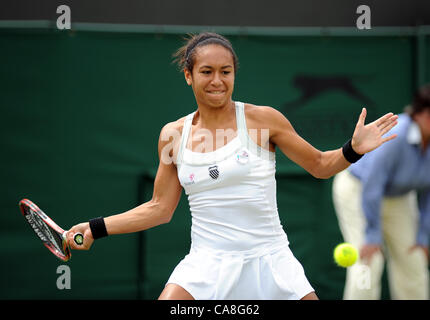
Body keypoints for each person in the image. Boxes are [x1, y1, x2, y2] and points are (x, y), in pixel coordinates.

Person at [67, 32, 398, 300]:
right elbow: (159, 207)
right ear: (188, 75)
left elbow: (321, 165)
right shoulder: (172, 136)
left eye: (226, 72)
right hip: (206, 264)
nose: (217, 81)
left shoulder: (263, 120)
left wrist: (353, 150)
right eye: (206, 72)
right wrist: (95, 227)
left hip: (270, 259)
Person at [332, 83, 430, 300]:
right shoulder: (398, 136)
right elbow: (372, 185)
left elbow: (428, 194)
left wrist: (423, 236)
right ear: (423, 115)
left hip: (398, 197)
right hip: (358, 191)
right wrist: (372, 234)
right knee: (370, 261)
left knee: (414, 258)